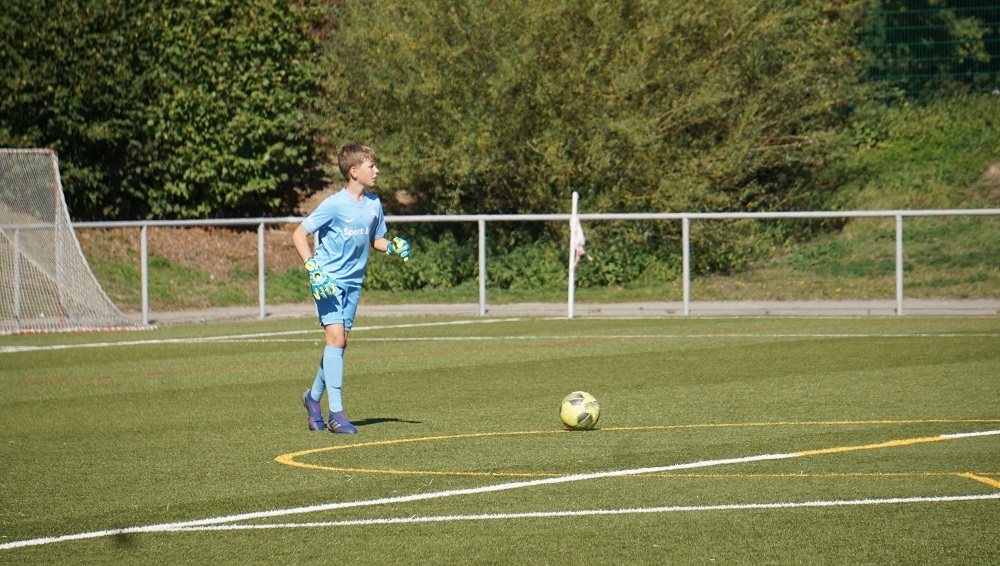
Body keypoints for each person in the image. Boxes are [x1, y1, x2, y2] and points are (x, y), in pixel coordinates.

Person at [291, 144, 410, 433]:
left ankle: (313, 398)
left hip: (354, 284)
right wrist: (313, 268)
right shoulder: (334, 204)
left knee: (339, 343)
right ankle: (337, 414)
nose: (377, 170)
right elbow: (299, 234)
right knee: (336, 340)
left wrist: (392, 247)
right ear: (354, 171)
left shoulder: (374, 205)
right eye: (371, 166)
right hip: (328, 281)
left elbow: (375, 239)